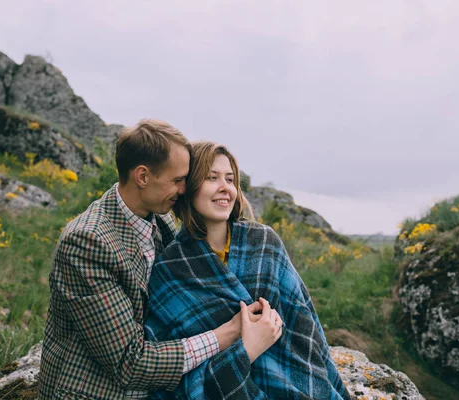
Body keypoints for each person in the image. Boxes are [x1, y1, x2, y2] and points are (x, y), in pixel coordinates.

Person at [39, 120, 282, 399]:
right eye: (178, 181)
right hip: (95, 392)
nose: (183, 190)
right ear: (142, 177)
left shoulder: (160, 218)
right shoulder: (87, 242)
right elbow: (129, 363)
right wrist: (229, 333)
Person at [145, 142, 352, 399]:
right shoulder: (171, 269)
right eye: (212, 178)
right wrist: (245, 351)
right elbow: (173, 370)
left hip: (292, 383)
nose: (224, 187)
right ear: (188, 187)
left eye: (230, 179)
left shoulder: (263, 242)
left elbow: (303, 324)